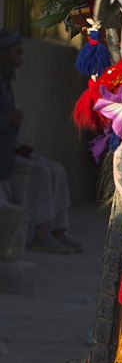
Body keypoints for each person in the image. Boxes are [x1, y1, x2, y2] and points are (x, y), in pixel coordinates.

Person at [0, 29, 82, 253]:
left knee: (55, 169)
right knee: (40, 173)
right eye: (16, 53)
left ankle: (59, 231)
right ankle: (40, 234)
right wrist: (7, 119)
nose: (20, 59)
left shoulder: (5, 80)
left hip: (9, 150)